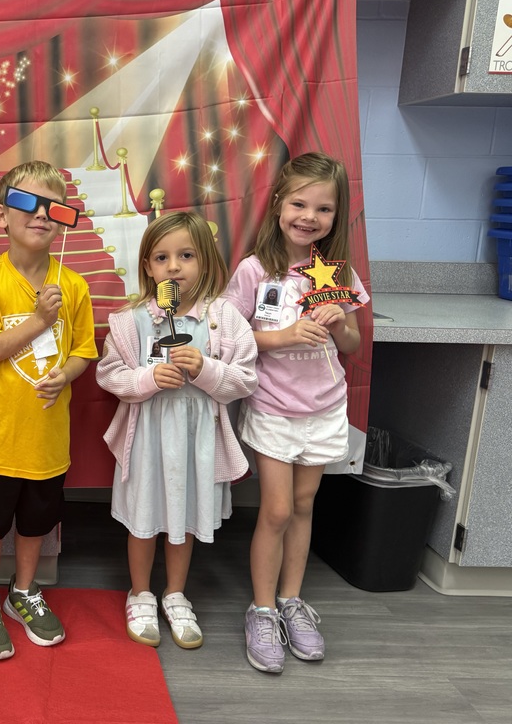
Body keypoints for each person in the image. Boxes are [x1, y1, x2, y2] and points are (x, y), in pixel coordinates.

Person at [224, 152, 367, 673]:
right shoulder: (254, 269)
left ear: (336, 215)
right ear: (280, 203)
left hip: (324, 408)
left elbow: (351, 342)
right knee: (278, 510)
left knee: (304, 507)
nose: (310, 217)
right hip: (274, 408)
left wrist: (338, 321)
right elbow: (232, 338)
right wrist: (283, 336)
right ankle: (261, 611)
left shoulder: (334, 270)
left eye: (324, 209)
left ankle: (291, 602)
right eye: (300, 203)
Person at [95, 211, 257, 648]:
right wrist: (148, 379)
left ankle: (175, 593)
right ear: (147, 265)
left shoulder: (223, 318)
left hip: (197, 441)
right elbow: (109, 375)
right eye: (162, 257)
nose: (173, 267)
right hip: (147, 437)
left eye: (185, 255)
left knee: (183, 517)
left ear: (204, 260)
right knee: (143, 517)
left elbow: (245, 379)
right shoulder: (132, 321)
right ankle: (141, 592)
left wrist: (205, 368)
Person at [0, 160, 96, 660]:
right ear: (1, 214)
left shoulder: (74, 286)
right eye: (26, 203)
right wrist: (40, 319)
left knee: (36, 524)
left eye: (53, 207)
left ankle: (23, 591)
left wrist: (69, 373)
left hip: (46, 440)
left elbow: (83, 351)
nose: (41, 215)